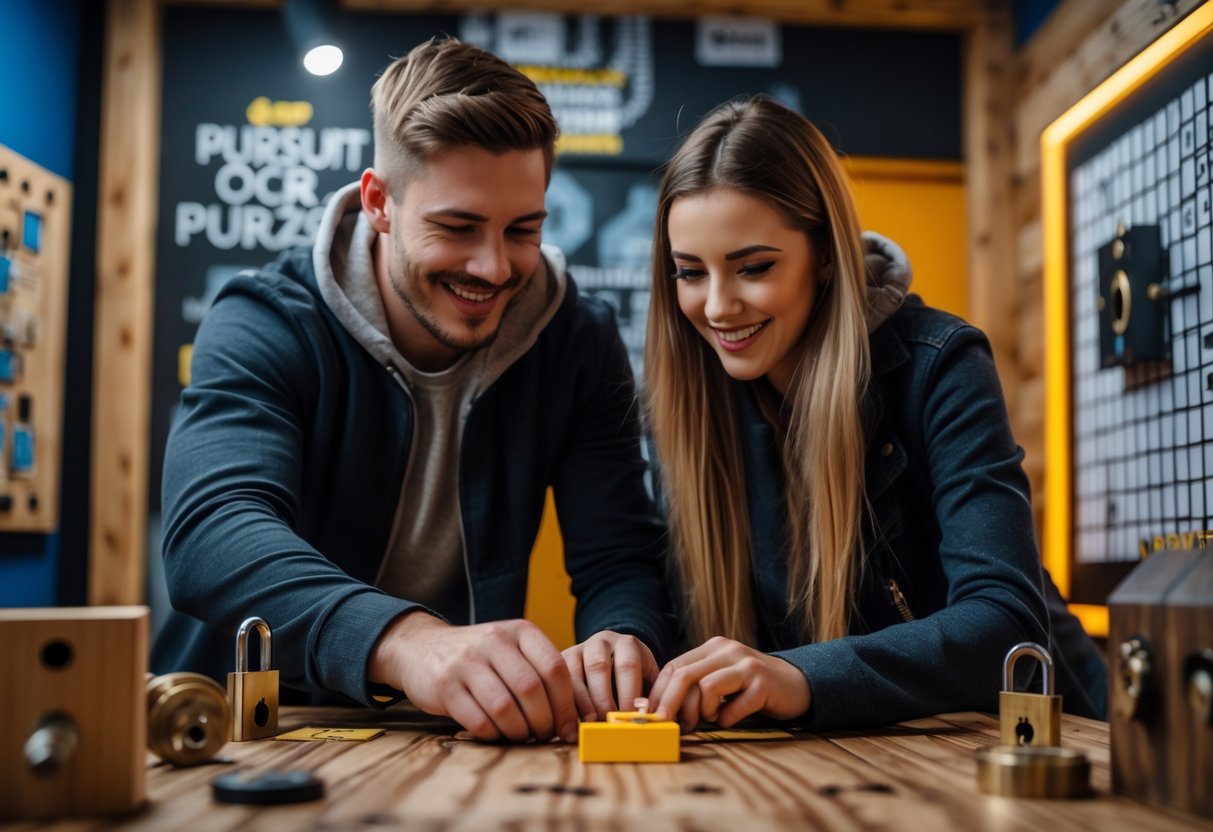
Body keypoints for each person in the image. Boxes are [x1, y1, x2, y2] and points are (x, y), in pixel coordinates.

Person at [152, 37, 674, 744]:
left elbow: (616, 552)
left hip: (441, 736)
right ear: (379, 202)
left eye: (522, 230)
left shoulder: (576, 338)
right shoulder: (265, 320)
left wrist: (623, 636)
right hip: (233, 729)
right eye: (456, 227)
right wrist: (406, 641)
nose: (492, 267)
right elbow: (210, 534)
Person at [642, 95, 1106, 732]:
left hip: (1043, 753)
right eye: (690, 272)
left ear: (826, 256)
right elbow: (654, 602)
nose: (718, 307)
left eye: (754, 268)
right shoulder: (687, 402)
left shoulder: (940, 364)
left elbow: (1005, 625)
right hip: (846, 770)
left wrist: (800, 676)